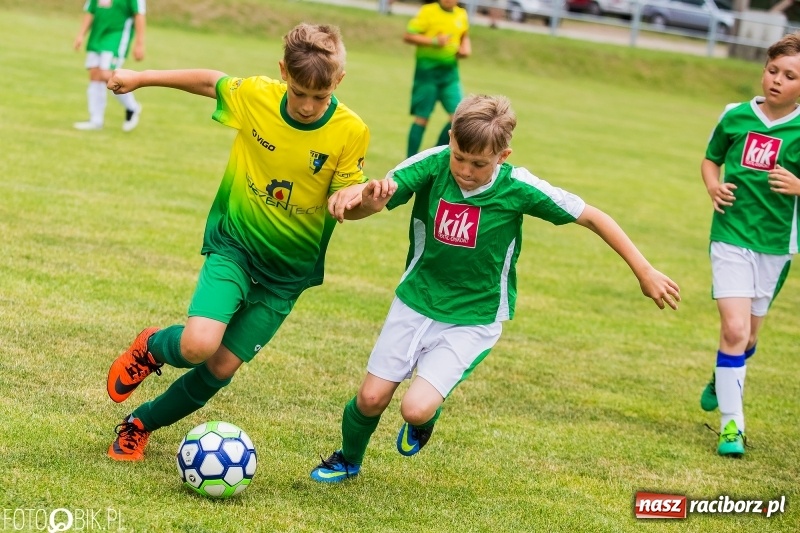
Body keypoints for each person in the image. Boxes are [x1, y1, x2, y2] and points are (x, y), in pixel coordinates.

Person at [309, 94, 681, 482]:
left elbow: (592, 217)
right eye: (459, 157)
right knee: (371, 398)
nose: (466, 171)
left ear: (503, 156)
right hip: (416, 300)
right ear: (451, 138)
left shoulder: (518, 186)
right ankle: (348, 459)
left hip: (475, 315)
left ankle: (425, 417)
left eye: (479, 164)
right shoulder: (432, 163)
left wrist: (644, 270)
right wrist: (366, 200)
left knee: (414, 409)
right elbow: (367, 207)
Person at [102, 23, 390, 461]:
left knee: (219, 366)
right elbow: (208, 80)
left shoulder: (351, 131)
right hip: (235, 243)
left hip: (287, 275)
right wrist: (143, 78)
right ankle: (151, 346)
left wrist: (366, 200)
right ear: (282, 74)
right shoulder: (257, 96)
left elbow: (347, 205)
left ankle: (139, 425)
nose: (310, 105)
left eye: (321, 95)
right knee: (198, 344)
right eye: (298, 93)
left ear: (339, 82)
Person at [697, 32, 800, 458]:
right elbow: (710, 158)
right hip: (731, 235)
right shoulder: (735, 115)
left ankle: (723, 373)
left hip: (776, 245)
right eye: (772, 70)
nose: (777, 80)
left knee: (748, 335)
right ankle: (731, 428)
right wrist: (713, 186)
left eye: (790, 75)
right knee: (734, 329)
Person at [403, 0, 471, 158]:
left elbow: (464, 37)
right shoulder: (428, 11)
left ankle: (434, 153)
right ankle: (410, 161)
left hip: (450, 75)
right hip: (427, 74)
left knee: (460, 118)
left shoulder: (461, 15)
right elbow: (408, 36)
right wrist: (434, 41)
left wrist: (465, 49)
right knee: (422, 118)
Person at [73, 0, 147, 131]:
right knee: (95, 75)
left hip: (116, 36)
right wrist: (81, 34)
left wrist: (139, 43)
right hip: (97, 36)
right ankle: (96, 121)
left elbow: (139, 14)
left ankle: (132, 107)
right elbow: (90, 10)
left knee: (108, 75)